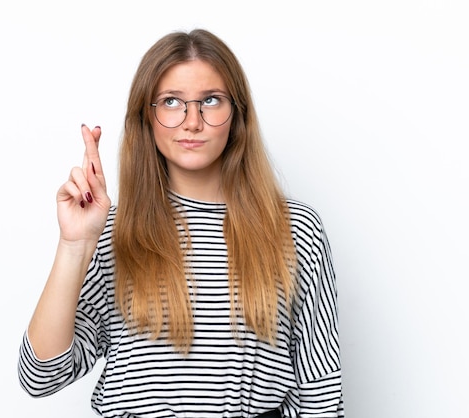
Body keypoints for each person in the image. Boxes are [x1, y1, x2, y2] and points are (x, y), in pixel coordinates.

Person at [18, 28, 344, 418]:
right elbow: (41, 376)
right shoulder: (111, 232)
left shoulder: (295, 229)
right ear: (147, 117)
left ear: (237, 114)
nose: (193, 121)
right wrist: (74, 246)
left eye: (211, 100)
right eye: (172, 102)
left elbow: (320, 391)